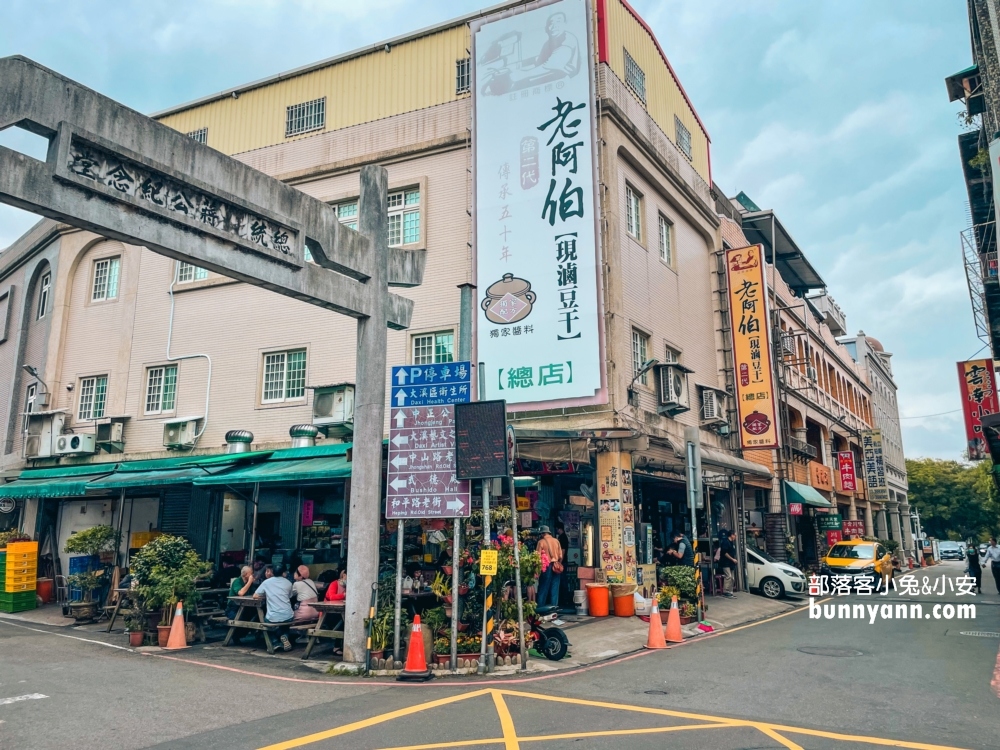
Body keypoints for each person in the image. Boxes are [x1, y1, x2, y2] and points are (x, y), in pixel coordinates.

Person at [253, 564, 295, 651]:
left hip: (273, 616)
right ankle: (284, 636)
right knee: (286, 624)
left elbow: (255, 596)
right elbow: (290, 596)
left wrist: (267, 596)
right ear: (283, 573)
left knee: (265, 623)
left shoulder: (266, 582)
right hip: (288, 615)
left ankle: (275, 642)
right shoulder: (289, 583)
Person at [535, 526, 563, 608]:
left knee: (543, 588)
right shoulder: (556, 541)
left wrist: (537, 570)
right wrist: (557, 563)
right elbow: (560, 556)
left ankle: (540, 608)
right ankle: (554, 609)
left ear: (543, 534)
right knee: (555, 589)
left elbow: (537, 557)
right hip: (556, 566)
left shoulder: (541, 542)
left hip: (546, 566)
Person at [719, 530, 738, 599]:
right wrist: (732, 559)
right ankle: (725, 591)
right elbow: (725, 553)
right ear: (732, 535)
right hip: (725, 562)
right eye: (735, 535)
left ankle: (730, 591)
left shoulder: (731, 542)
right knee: (728, 576)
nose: (736, 537)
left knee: (732, 578)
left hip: (731, 563)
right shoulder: (725, 542)